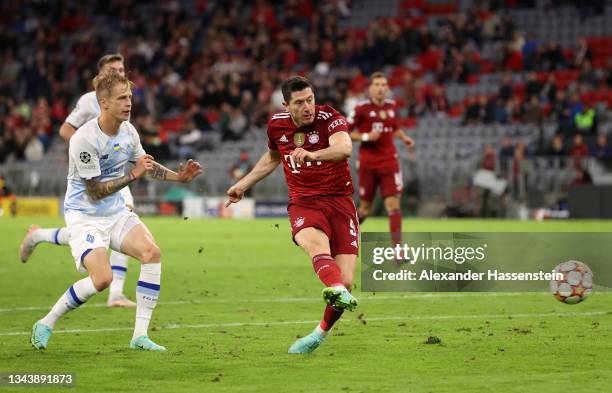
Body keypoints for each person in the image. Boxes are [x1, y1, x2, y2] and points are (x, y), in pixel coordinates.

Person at [30, 71, 202, 351]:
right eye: (122, 98)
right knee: (102, 279)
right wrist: (132, 176)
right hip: (84, 215)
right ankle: (46, 322)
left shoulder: (129, 131)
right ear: (103, 103)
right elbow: (95, 191)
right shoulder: (84, 140)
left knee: (152, 253)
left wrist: (178, 177)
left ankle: (140, 336)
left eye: (130, 97)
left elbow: (146, 166)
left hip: (116, 213)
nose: (129, 103)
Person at [226, 76, 358, 354]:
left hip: (340, 202)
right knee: (317, 248)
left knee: (345, 282)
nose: (308, 106)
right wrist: (243, 184)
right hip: (304, 203)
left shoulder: (329, 116)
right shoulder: (277, 124)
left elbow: (344, 147)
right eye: (300, 102)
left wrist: (313, 155)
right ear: (286, 105)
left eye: (310, 99)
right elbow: (273, 157)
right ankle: (333, 286)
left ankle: (318, 334)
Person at [19, 54, 137, 307]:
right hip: (91, 178)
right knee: (96, 227)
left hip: (115, 176)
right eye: (113, 68)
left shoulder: (125, 97)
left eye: (122, 68)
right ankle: (39, 235)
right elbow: (65, 130)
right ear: (100, 75)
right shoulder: (88, 100)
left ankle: (116, 293)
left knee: (121, 218)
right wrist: (88, 154)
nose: (119, 72)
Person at [348, 72, 414, 247]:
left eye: (383, 85)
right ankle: (345, 237)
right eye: (377, 84)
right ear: (370, 88)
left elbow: (394, 127)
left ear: (388, 88)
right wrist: (367, 136)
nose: (380, 88)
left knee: (393, 204)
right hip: (367, 164)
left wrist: (404, 137)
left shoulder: (392, 106)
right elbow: (345, 133)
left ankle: (398, 250)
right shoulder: (361, 108)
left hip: (389, 162)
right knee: (365, 209)